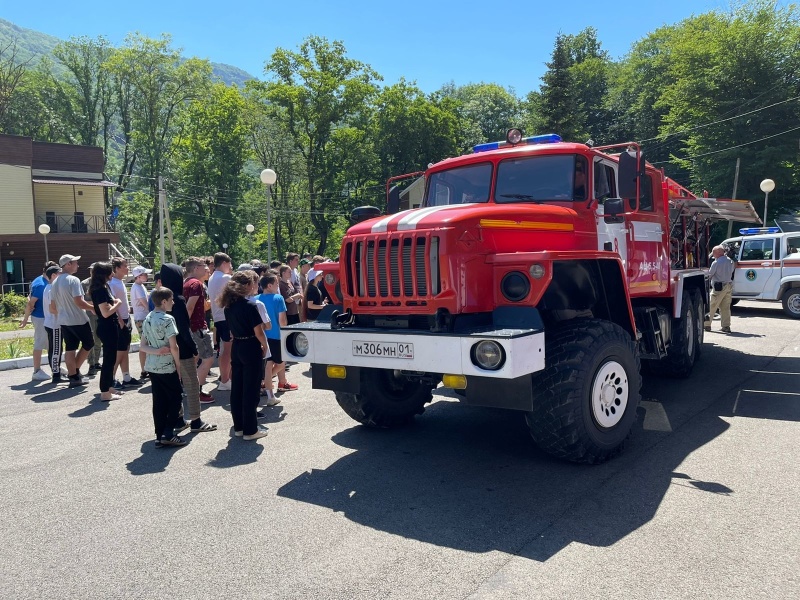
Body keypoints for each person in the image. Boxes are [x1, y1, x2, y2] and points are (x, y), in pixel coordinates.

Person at [157, 263, 211, 429]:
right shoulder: (177, 300)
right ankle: (196, 420)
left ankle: (179, 420)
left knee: (175, 385)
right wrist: (194, 348)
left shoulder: (160, 299)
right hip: (182, 348)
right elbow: (183, 328)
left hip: (165, 348)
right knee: (192, 384)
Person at [219, 270, 269, 440]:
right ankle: (250, 430)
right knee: (251, 388)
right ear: (247, 286)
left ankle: (239, 426)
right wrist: (264, 345)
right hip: (250, 345)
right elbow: (259, 332)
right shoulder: (250, 306)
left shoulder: (228, 307)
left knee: (238, 388)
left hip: (237, 345)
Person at [139, 287, 187, 448]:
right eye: (171, 299)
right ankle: (168, 432)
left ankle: (159, 435)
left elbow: (143, 346)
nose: (173, 302)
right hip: (167, 366)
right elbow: (174, 346)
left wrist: (156, 351)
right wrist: (178, 366)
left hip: (152, 366)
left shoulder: (148, 318)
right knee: (176, 398)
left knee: (159, 401)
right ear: (164, 301)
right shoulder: (167, 319)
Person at [50, 254, 94, 388]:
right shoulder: (73, 280)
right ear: (68, 264)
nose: (78, 265)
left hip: (63, 320)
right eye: (75, 262)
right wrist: (94, 308)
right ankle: (74, 372)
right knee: (89, 343)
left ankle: (73, 376)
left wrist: (64, 311)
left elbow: (52, 307)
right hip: (78, 319)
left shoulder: (55, 282)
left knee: (70, 348)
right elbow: (80, 303)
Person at [88, 262, 123, 402]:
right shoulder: (100, 290)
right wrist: (118, 304)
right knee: (109, 360)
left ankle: (108, 387)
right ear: (104, 274)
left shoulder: (102, 288)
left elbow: (104, 305)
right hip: (107, 327)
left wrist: (113, 301)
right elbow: (106, 313)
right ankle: (105, 392)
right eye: (110, 272)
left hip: (108, 327)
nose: (113, 274)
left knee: (111, 358)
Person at [258, 273, 298, 392]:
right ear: (269, 286)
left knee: (268, 362)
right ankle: (266, 381)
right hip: (276, 335)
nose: (278, 286)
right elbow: (283, 320)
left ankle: (270, 382)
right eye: (276, 284)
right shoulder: (278, 298)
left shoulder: (255, 299)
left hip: (262, 336)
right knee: (280, 363)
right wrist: (286, 333)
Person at [20, 261, 59, 381]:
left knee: (49, 343)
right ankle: (37, 371)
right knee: (39, 342)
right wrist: (25, 319)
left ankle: (54, 366)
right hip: (41, 317)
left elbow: (29, 296)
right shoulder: (41, 285)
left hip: (45, 317)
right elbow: (30, 302)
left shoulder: (38, 280)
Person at [183, 257, 214, 400]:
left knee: (194, 360)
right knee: (207, 358)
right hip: (197, 327)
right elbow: (189, 307)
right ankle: (197, 392)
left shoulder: (186, 283)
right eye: (204, 266)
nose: (207, 268)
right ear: (196, 268)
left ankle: (189, 389)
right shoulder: (196, 284)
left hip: (191, 327)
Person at [108, 257, 140, 389]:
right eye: (124, 266)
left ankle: (126, 377)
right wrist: (120, 320)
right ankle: (111, 379)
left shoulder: (120, 282)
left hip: (126, 319)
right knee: (119, 351)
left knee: (125, 349)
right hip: (119, 321)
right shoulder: (112, 283)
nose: (127, 268)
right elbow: (113, 303)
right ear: (116, 269)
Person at [207, 252, 233, 391]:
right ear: (223, 263)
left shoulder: (212, 278)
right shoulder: (225, 278)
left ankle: (226, 378)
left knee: (225, 349)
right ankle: (225, 380)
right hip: (226, 317)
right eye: (229, 264)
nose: (230, 267)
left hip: (218, 317)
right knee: (228, 350)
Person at [41, 265, 64, 383]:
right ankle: (56, 374)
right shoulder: (51, 289)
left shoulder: (49, 287)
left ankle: (56, 371)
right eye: (59, 274)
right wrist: (65, 312)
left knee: (55, 348)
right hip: (54, 323)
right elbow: (52, 309)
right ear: (54, 275)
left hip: (51, 323)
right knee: (56, 350)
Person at [704, 245, 735, 333]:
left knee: (711, 305)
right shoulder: (730, 261)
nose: (713, 254)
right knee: (725, 307)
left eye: (714, 252)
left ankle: (706, 325)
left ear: (719, 253)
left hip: (719, 287)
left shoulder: (716, 263)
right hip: (728, 286)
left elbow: (710, 275)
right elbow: (732, 272)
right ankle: (726, 326)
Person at [129, 265, 152, 380]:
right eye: (144, 274)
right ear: (138, 276)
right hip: (141, 318)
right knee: (145, 345)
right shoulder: (137, 288)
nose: (147, 276)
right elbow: (145, 304)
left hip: (143, 317)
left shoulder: (140, 286)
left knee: (146, 344)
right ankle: (144, 370)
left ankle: (146, 369)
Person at [81, 264, 103, 376]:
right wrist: (98, 303)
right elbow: (82, 301)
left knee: (99, 339)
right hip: (90, 315)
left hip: (101, 315)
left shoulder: (101, 283)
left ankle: (97, 361)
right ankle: (91, 364)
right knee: (92, 339)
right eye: (91, 270)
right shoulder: (84, 284)